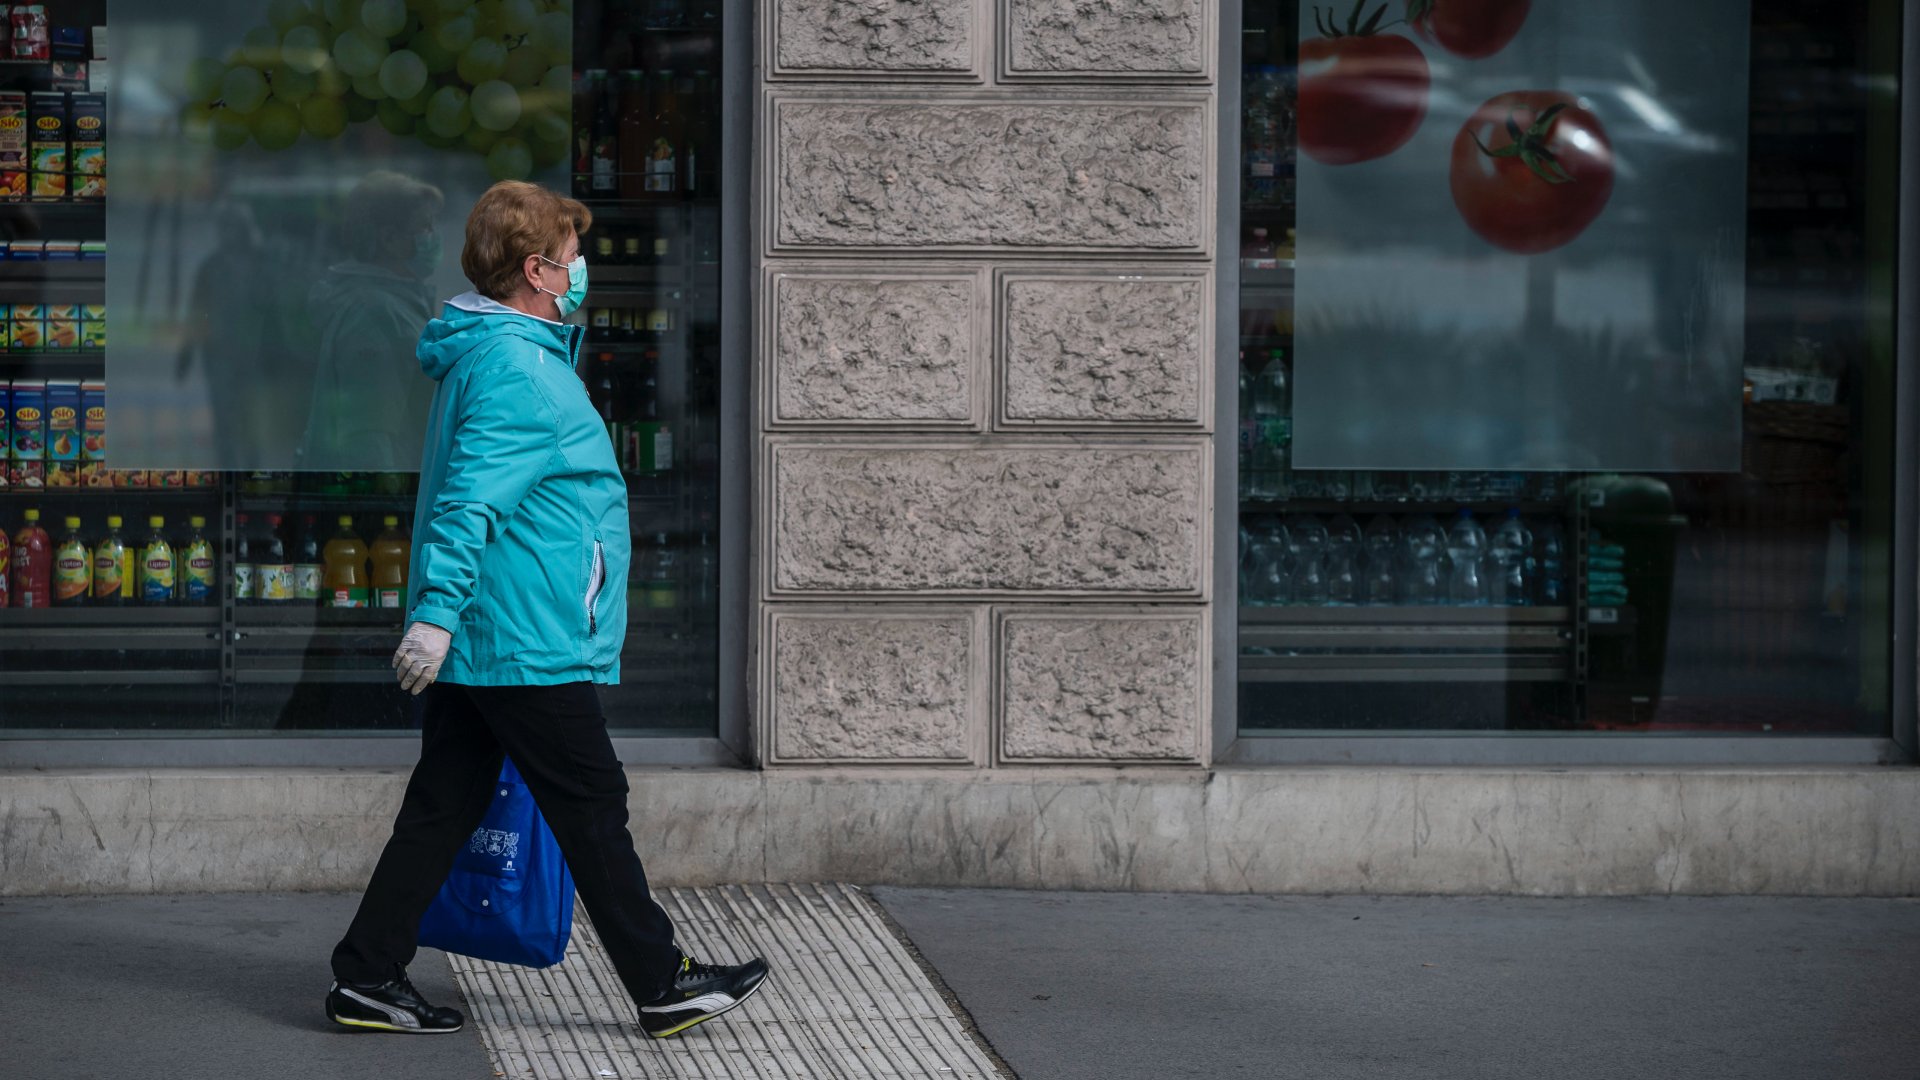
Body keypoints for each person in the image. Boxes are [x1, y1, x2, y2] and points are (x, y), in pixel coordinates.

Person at [325, 181, 769, 1040]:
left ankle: (367, 976)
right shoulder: (518, 370)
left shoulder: (503, 354)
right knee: (591, 797)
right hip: (521, 631)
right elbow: (469, 502)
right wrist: (437, 614)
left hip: (498, 627)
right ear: (536, 270)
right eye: (571, 259)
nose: (580, 272)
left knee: (445, 802)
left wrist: (447, 615)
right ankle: (660, 980)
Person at [300, 170, 445, 469]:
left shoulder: (392, 303)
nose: (433, 236)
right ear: (389, 239)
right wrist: (389, 508)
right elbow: (367, 438)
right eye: (424, 226)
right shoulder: (374, 314)